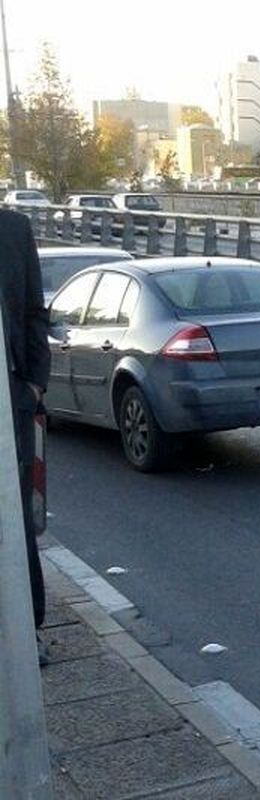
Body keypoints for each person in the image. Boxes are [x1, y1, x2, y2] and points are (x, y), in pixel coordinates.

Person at [0, 207, 50, 664]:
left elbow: (35, 312)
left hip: (9, 396)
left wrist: (33, 384)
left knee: (12, 515)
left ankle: (28, 628)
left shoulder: (14, 229)